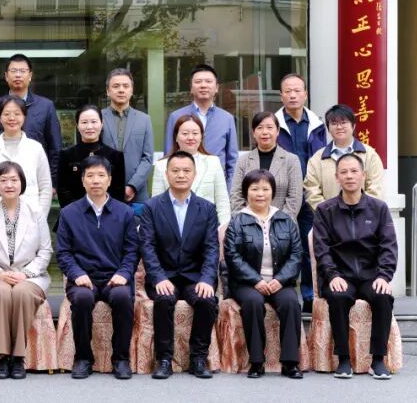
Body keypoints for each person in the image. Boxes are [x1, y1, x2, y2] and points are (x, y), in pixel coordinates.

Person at [313, 153, 397, 380]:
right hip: (340, 275)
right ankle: (343, 359)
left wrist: (384, 276)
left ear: (363, 175)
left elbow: (388, 246)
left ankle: (378, 360)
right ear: (337, 177)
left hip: (371, 275)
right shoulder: (325, 210)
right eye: (344, 172)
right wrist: (332, 275)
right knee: (338, 297)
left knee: (382, 296)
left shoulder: (379, 208)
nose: (349, 176)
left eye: (354, 171)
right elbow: (322, 249)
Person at [138, 151, 220, 380]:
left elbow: (211, 248)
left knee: (207, 301)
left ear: (194, 174)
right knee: (164, 299)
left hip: (195, 276)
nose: (181, 175)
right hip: (164, 275)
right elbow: (147, 246)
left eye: (186, 171)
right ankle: (164, 359)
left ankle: (198, 358)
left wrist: (207, 279)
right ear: (166, 174)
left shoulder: (207, 208)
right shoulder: (152, 207)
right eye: (175, 170)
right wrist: (158, 277)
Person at [55, 155, 138, 380]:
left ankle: (120, 358)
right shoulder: (69, 213)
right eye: (90, 176)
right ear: (82, 180)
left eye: (101, 175)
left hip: (115, 277)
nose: (96, 180)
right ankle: (83, 358)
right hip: (84, 278)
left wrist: (123, 274)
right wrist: (77, 274)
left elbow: (132, 251)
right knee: (82, 299)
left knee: (123, 297)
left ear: (109, 180)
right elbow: (63, 253)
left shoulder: (125, 213)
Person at [223, 169, 304, 380]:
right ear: (246, 192)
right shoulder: (237, 222)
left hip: (279, 282)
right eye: (255, 189)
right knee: (253, 302)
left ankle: (290, 363)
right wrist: (256, 280)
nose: (260, 194)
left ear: (273, 192)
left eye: (265, 189)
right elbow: (233, 257)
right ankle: (256, 361)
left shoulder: (285, 220)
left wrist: (280, 280)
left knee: (291, 303)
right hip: (246, 283)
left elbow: (296, 255)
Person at [0, 161, 53, 380]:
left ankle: (18, 357)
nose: (9, 185)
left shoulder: (36, 212)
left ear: (22, 183)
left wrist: (25, 274)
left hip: (31, 276)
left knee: (21, 292)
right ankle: (2, 357)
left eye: (14, 180)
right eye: (3, 180)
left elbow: (45, 251)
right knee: (1, 293)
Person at [274, 73, 327, 312]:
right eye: (288, 91)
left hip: (310, 194)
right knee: (280, 245)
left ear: (305, 94)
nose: (293, 95)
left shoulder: (317, 124)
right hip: (282, 194)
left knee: (308, 245)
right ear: (281, 95)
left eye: (297, 91)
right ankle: (282, 294)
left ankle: (308, 295)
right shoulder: (274, 123)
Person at [0, 54, 63, 182]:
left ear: (30, 76)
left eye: (22, 71)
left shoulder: (46, 106)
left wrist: (52, 182)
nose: (18, 75)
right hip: (3, 180)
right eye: (13, 71)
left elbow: (55, 147)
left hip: (36, 178)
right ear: (6, 76)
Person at [0, 96, 53, 218]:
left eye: (17, 114)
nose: (12, 118)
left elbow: (45, 187)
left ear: (24, 117)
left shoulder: (36, 148)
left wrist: (40, 218)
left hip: (29, 216)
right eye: (6, 114)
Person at [164, 64, 238, 185]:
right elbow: (168, 155)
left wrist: (229, 190)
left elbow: (232, 161)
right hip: (183, 183)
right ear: (191, 88)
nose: (203, 85)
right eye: (198, 82)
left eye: (208, 81)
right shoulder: (176, 117)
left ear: (216, 87)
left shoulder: (227, 119)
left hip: (216, 184)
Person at [151, 115, 231, 226]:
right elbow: (156, 204)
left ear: (201, 137)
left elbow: (222, 201)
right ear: (176, 137)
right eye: (185, 133)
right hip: (172, 228)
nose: (190, 137)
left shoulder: (213, 162)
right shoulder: (162, 165)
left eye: (195, 133)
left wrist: (224, 227)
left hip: (207, 227)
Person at [303, 104, 385, 211]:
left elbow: (375, 189)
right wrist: (331, 213)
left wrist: (358, 213)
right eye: (334, 123)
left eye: (343, 122)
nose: (339, 127)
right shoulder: (317, 159)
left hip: (363, 217)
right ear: (328, 128)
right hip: (329, 218)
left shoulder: (369, 155)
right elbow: (311, 191)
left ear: (353, 126)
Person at [229, 111, 304, 219]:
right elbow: (236, 196)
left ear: (277, 131)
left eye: (269, 127)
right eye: (260, 128)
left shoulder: (291, 160)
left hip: (283, 224)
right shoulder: (243, 160)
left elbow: (294, 198)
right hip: (247, 224)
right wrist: (245, 222)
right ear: (253, 132)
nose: (265, 132)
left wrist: (279, 223)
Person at [100, 68, 156, 204]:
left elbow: (147, 158)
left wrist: (133, 186)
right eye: (116, 86)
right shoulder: (98, 118)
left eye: (126, 86)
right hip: (103, 192)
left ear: (132, 90)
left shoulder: (144, 119)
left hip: (136, 194)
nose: (121, 90)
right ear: (108, 91)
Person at [58, 105, 126, 209]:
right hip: (74, 214)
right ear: (77, 125)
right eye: (84, 122)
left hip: (108, 214)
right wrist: (77, 212)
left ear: (101, 124)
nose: (89, 127)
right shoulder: (66, 155)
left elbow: (118, 192)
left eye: (94, 122)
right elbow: (63, 190)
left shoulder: (116, 156)